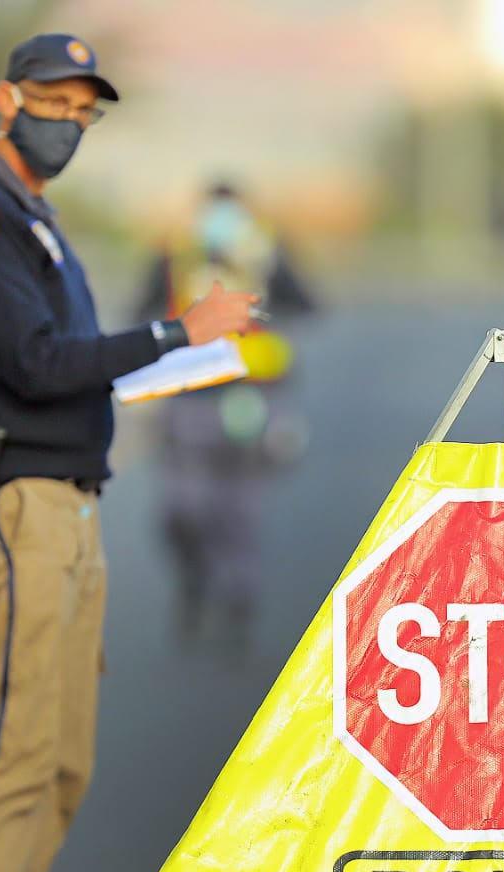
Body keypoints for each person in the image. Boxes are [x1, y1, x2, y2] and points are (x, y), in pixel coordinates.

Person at [0, 33, 258, 872]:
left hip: (70, 501)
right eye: (52, 103)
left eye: (82, 111)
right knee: (15, 735)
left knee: (63, 751)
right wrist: (175, 334)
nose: (67, 124)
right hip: (19, 502)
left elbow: (66, 355)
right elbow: (34, 362)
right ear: (6, 100)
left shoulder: (38, 222)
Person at [134, 182, 316, 649]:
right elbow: (141, 310)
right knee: (184, 508)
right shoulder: (177, 254)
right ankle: (195, 578)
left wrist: (265, 302)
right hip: (187, 396)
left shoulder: (266, 253)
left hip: (249, 397)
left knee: (239, 508)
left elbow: (306, 304)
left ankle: (239, 601)